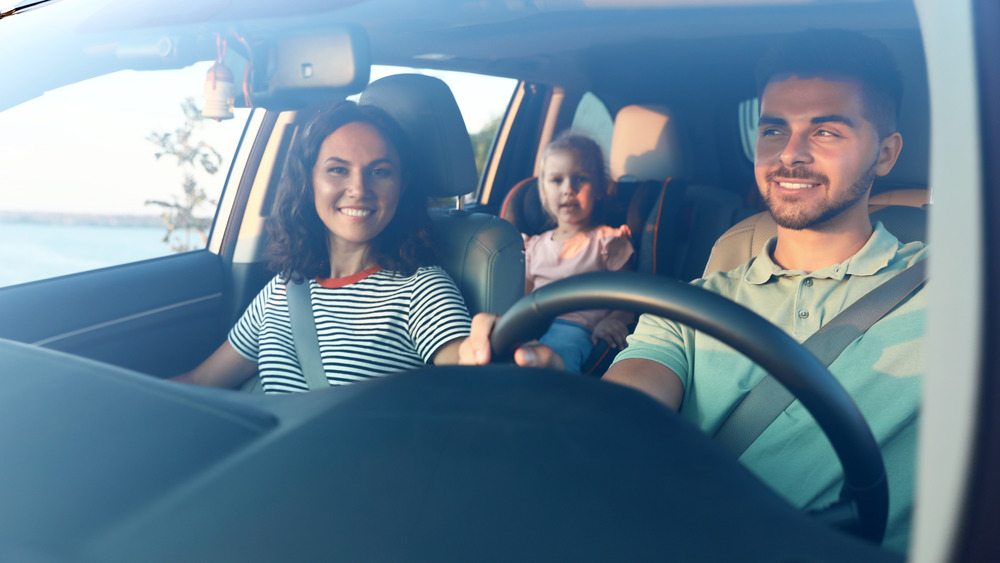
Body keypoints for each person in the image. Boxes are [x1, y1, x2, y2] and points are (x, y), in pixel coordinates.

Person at [460, 29, 923, 554]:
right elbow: (627, 405)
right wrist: (561, 401)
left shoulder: (952, 294)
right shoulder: (689, 305)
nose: (789, 155)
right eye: (773, 130)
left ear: (885, 154)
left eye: (826, 132)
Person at [174, 100, 471, 394]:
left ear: (401, 186)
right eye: (338, 170)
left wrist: (491, 351)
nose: (359, 189)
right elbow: (201, 381)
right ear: (309, 180)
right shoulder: (284, 287)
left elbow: (472, 373)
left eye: (379, 172)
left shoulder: (421, 289)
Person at [522, 131, 635, 373]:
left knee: (563, 350)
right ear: (543, 191)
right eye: (556, 180)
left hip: (575, 329)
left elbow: (628, 297)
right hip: (531, 325)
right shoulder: (533, 246)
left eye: (580, 179)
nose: (568, 189)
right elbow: (520, 301)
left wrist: (613, 319)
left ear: (599, 188)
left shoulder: (608, 241)